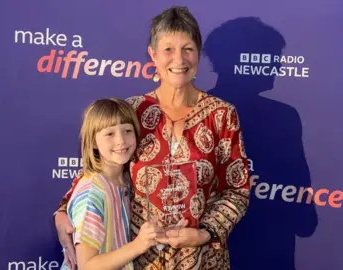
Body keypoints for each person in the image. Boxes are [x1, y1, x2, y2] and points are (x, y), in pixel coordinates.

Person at [55, 6, 251, 269]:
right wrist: (65, 207)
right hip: (142, 260)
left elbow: (237, 190)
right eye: (168, 49)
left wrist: (205, 233)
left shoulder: (222, 115)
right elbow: (102, 168)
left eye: (188, 49)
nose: (179, 59)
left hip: (204, 260)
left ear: (198, 55)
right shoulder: (132, 111)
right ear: (153, 55)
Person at [58, 98, 170, 270]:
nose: (121, 141)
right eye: (110, 134)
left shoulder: (126, 181)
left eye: (127, 131)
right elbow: (88, 265)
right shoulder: (92, 194)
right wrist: (139, 244)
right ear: (93, 141)